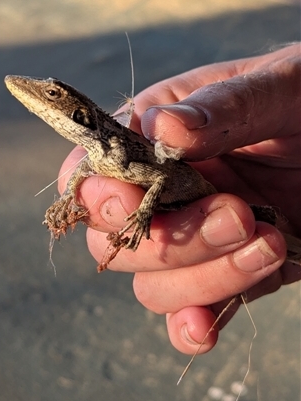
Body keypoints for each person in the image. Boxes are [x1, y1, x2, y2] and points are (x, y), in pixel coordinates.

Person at [58, 43, 301, 354]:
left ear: (81, 115)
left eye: (54, 96)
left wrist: (144, 212)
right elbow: (79, 175)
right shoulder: (98, 154)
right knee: (248, 237)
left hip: (197, 196)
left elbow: (158, 177)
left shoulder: (118, 154)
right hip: (204, 208)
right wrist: (64, 201)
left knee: (251, 232)